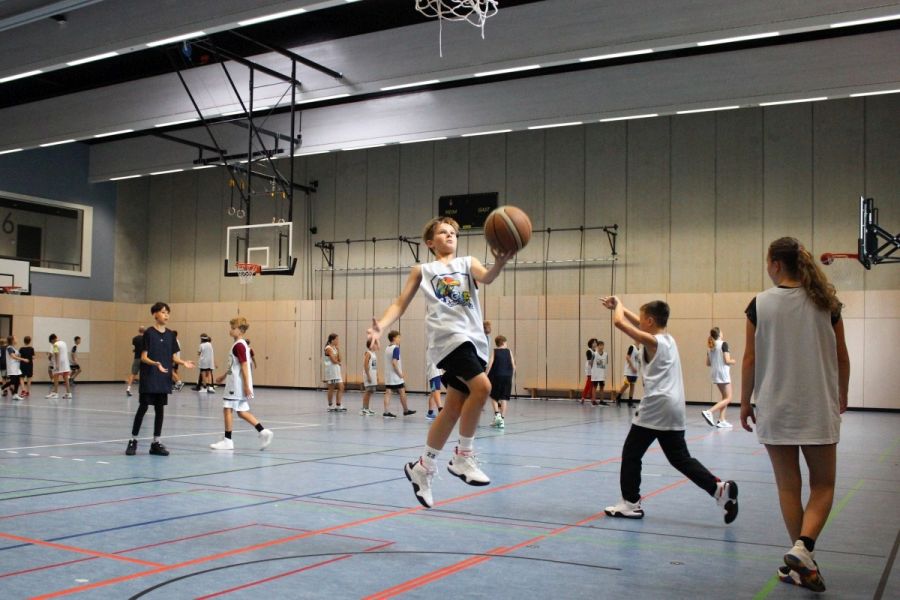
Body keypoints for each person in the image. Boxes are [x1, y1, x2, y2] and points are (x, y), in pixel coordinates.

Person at [368, 216, 514, 508]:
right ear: (430, 242)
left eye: (453, 233)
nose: (449, 236)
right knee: (483, 388)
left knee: (453, 408)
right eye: (443, 232)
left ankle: (423, 466)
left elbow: (487, 277)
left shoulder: (467, 263)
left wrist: (499, 263)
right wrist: (380, 326)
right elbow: (400, 303)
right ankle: (463, 456)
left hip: (474, 342)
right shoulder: (423, 270)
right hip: (448, 339)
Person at [740, 237, 849, 593]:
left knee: (789, 486)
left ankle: (802, 560)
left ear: (775, 264)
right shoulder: (826, 303)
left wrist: (744, 402)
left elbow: (750, 359)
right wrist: (843, 393)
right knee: (823, 485)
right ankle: (804, 550)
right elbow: (842, 356)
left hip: (774, 408)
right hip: (818, 407)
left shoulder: (759, 304)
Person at [600, 296, 738, 524]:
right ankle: (719, 489)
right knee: (679, 458)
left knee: (631, 453)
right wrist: (620, 308)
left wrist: (619, 304)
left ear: (650, 321)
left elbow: (619, 323)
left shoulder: (654, 342)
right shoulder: (668, 339)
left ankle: (630, 503)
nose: (640, 322)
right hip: (674, 407)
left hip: (656, 407)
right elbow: (635, 323)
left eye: (643, 319)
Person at [125, 302, 194, 456]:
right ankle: (133, 440)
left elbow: (173, 357)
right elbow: (143, 357)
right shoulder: (149, 333)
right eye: (163, 312)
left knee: (160, 409)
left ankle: (156, 443)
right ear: (155, 314)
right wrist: (155, 363)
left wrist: (183, 362)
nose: (166, 315)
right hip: (149, 377)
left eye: (167, 312)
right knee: (143, 407)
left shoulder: (170, 335)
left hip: (163, 378)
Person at [210, 316, 274, 451]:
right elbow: (234, 366)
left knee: (227, 409)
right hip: (235, 383)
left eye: (233, 328)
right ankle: (263, 432)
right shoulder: (240, 344)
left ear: (240, 330)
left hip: (236, 385)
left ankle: (228, 441)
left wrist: (246, 385)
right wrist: (223, 377)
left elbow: (244, 366)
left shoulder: (239, 345)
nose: (230, 330)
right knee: (241, 411)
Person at [701, 327, 737, 428]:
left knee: (725, 397)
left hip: (715, 373)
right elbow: (727, 360)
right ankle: (709, 412)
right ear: (719, 334)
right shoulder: (723, 344)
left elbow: (708, 363)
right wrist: (733, 361)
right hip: (723, 373)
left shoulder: (710, 346)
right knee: (729, 398)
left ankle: (722, 420)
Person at [382, 331, 414, 418]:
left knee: (388, 392)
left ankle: (386, 411)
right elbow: (394, 363)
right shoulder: (396, 348)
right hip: (395, 376)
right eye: (398, 337)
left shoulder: (387, 348)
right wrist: (400, 374)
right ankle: (405, 410)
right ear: (394, 338)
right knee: (402, 391)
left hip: (388, 375)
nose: (400, 339)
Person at [487, 335, 515, 428]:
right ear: (503, 342)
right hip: (507, 377)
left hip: (497, 376)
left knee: (493, 396)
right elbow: (513, 365)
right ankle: (502, 420)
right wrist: (511, 375)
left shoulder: (495, 351)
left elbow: (490, 364)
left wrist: (486, 374)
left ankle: (497, 415)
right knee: (504, 398)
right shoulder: (509, 351)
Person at [323, 333, 346, 412]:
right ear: (332, 340)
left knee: (341, 387)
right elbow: (333, 360)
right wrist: (338, 362)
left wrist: (338, 350)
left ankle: (338, 405)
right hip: (331, 370)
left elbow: (340, 359)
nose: (338, 341)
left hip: (337, 370)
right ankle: (330, 406)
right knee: (331, 388)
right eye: (336, 339)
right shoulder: (328, 348)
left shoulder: (335, 348)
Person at [46, 334, 72, 400]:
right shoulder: (64, 343)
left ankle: (55, 393)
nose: (52, 344)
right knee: (66, 377)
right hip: (65, 363)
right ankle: (69, 393)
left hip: (59, 363)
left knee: (55, 377)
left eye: (51, 342)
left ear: (52, 340)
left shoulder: (55, 345)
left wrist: (57, 364)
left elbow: (56, 354)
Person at [5, 336, 29, 400]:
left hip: (16, 367)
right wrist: (23, 359)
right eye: (15, 339)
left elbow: (16, 355)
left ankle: (15, 394)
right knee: (13, 381)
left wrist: (19, 356)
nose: (16, 340)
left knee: (17, 381)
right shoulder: (9, 348)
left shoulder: (14, 348)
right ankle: (2, 388)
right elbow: (13, 356)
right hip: (12, 367)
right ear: (12, 340)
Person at [126, 326, 145, 397]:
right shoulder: (146, 338)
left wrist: (135, 350)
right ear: (144, 331)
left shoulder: (135, 338)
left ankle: (128, 389)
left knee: (133, 374)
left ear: (138, 331)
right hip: (144, 358)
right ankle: (145, 390)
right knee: (145, 374)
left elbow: (135, 347)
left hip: (137, 358)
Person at [360, 339, 378, 416]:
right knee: (367, 392)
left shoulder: (374, 354)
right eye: (375, 344)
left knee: (370, 392)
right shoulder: (368, 353)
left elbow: (374, 366)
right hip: (368, 375)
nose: (376, 345)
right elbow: (365, 365)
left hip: (373, 375)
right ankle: (364, 409)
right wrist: (368, 376)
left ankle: (367, 408)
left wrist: (377, 376)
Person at [590, 339, 609, 405]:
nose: (601, 347)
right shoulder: (594, 354)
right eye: (600, 345)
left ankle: (601, 400)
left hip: (602, 374)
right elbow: (591, 363)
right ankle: (593, 400)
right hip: (595, 374)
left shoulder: (606, 354)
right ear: (597, 346)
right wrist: (593, 370)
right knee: (594, 387)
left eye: (602, 345)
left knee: (602, 387)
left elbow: (606, 363)